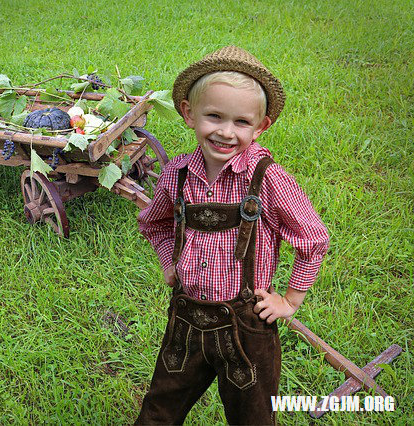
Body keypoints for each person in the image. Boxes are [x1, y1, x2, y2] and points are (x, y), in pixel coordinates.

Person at [135, 46, 329, 425]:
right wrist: (168, 263)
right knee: (159, 409)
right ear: (190, 114)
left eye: (241, 122)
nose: (226, 131)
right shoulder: (177, 174)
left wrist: (289, 300)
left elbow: (313, 240)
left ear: (261, 126)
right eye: (214, 116)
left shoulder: (269, 180)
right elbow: (154, 223)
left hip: (247, 326)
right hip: (187, 320)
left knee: (252, 417)